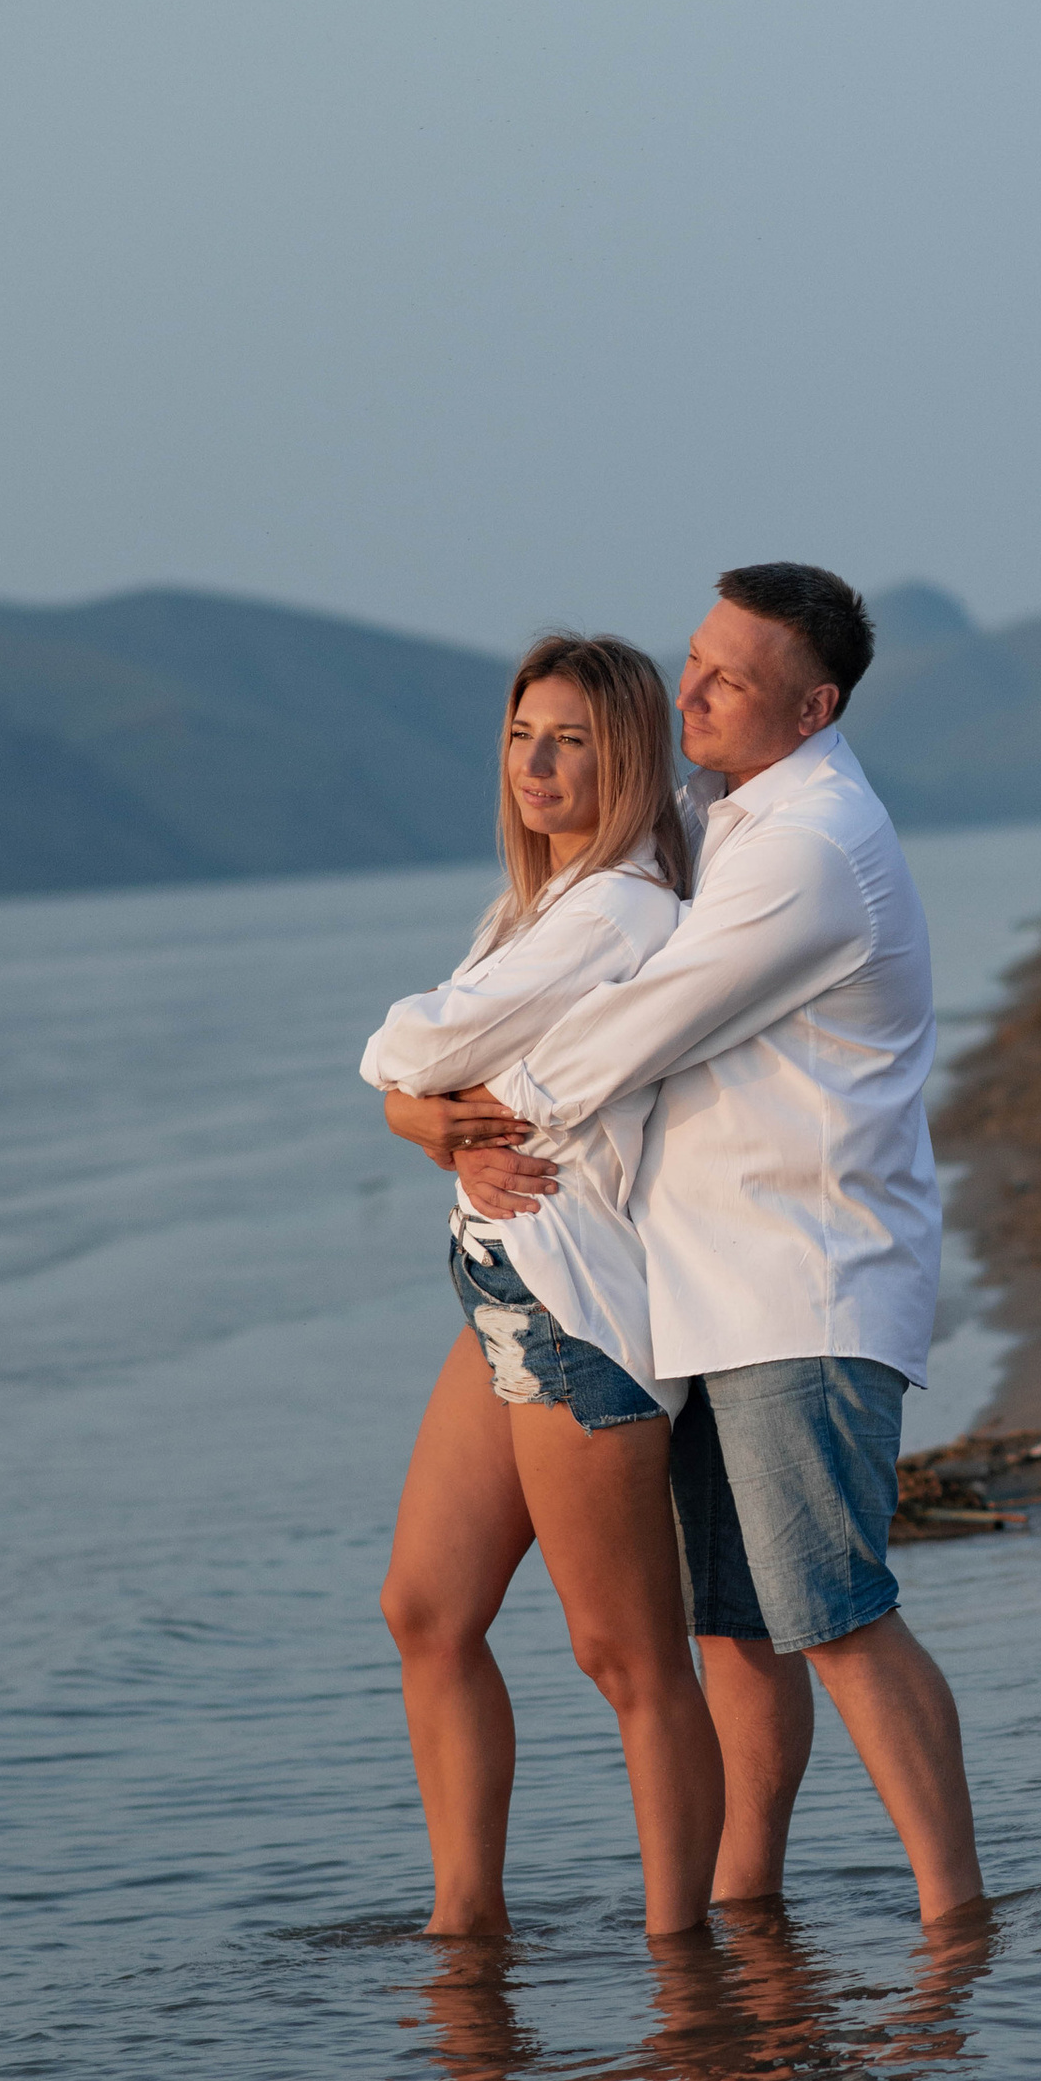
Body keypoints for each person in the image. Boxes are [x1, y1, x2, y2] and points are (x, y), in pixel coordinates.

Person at [398, 561, 986, 1929]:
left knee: (834, 1615)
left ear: (815, 704)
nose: (698, 687)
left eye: (735, 674)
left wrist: (458, 1117)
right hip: (703, 1286)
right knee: (736, 1627)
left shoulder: (806, 848)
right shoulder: (722, 815)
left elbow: (639, 1026)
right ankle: (744, 1910)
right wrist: (421, 1110)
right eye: (699, 658)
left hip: (805, 1283)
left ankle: (958, 1922)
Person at [361, 634, 724, 1942]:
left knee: (628, 1660)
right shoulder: (540, 906)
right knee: (426, 1609)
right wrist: (431, 1125)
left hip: (581, 1313)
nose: (539, 763)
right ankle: (467, 1929)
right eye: (523, 736)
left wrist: (419, 1107)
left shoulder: (619, 908)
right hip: (507, 1291)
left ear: (625, 759)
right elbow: (422, 1093)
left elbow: (407, 1046)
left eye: (571, 739)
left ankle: (686, 1954)